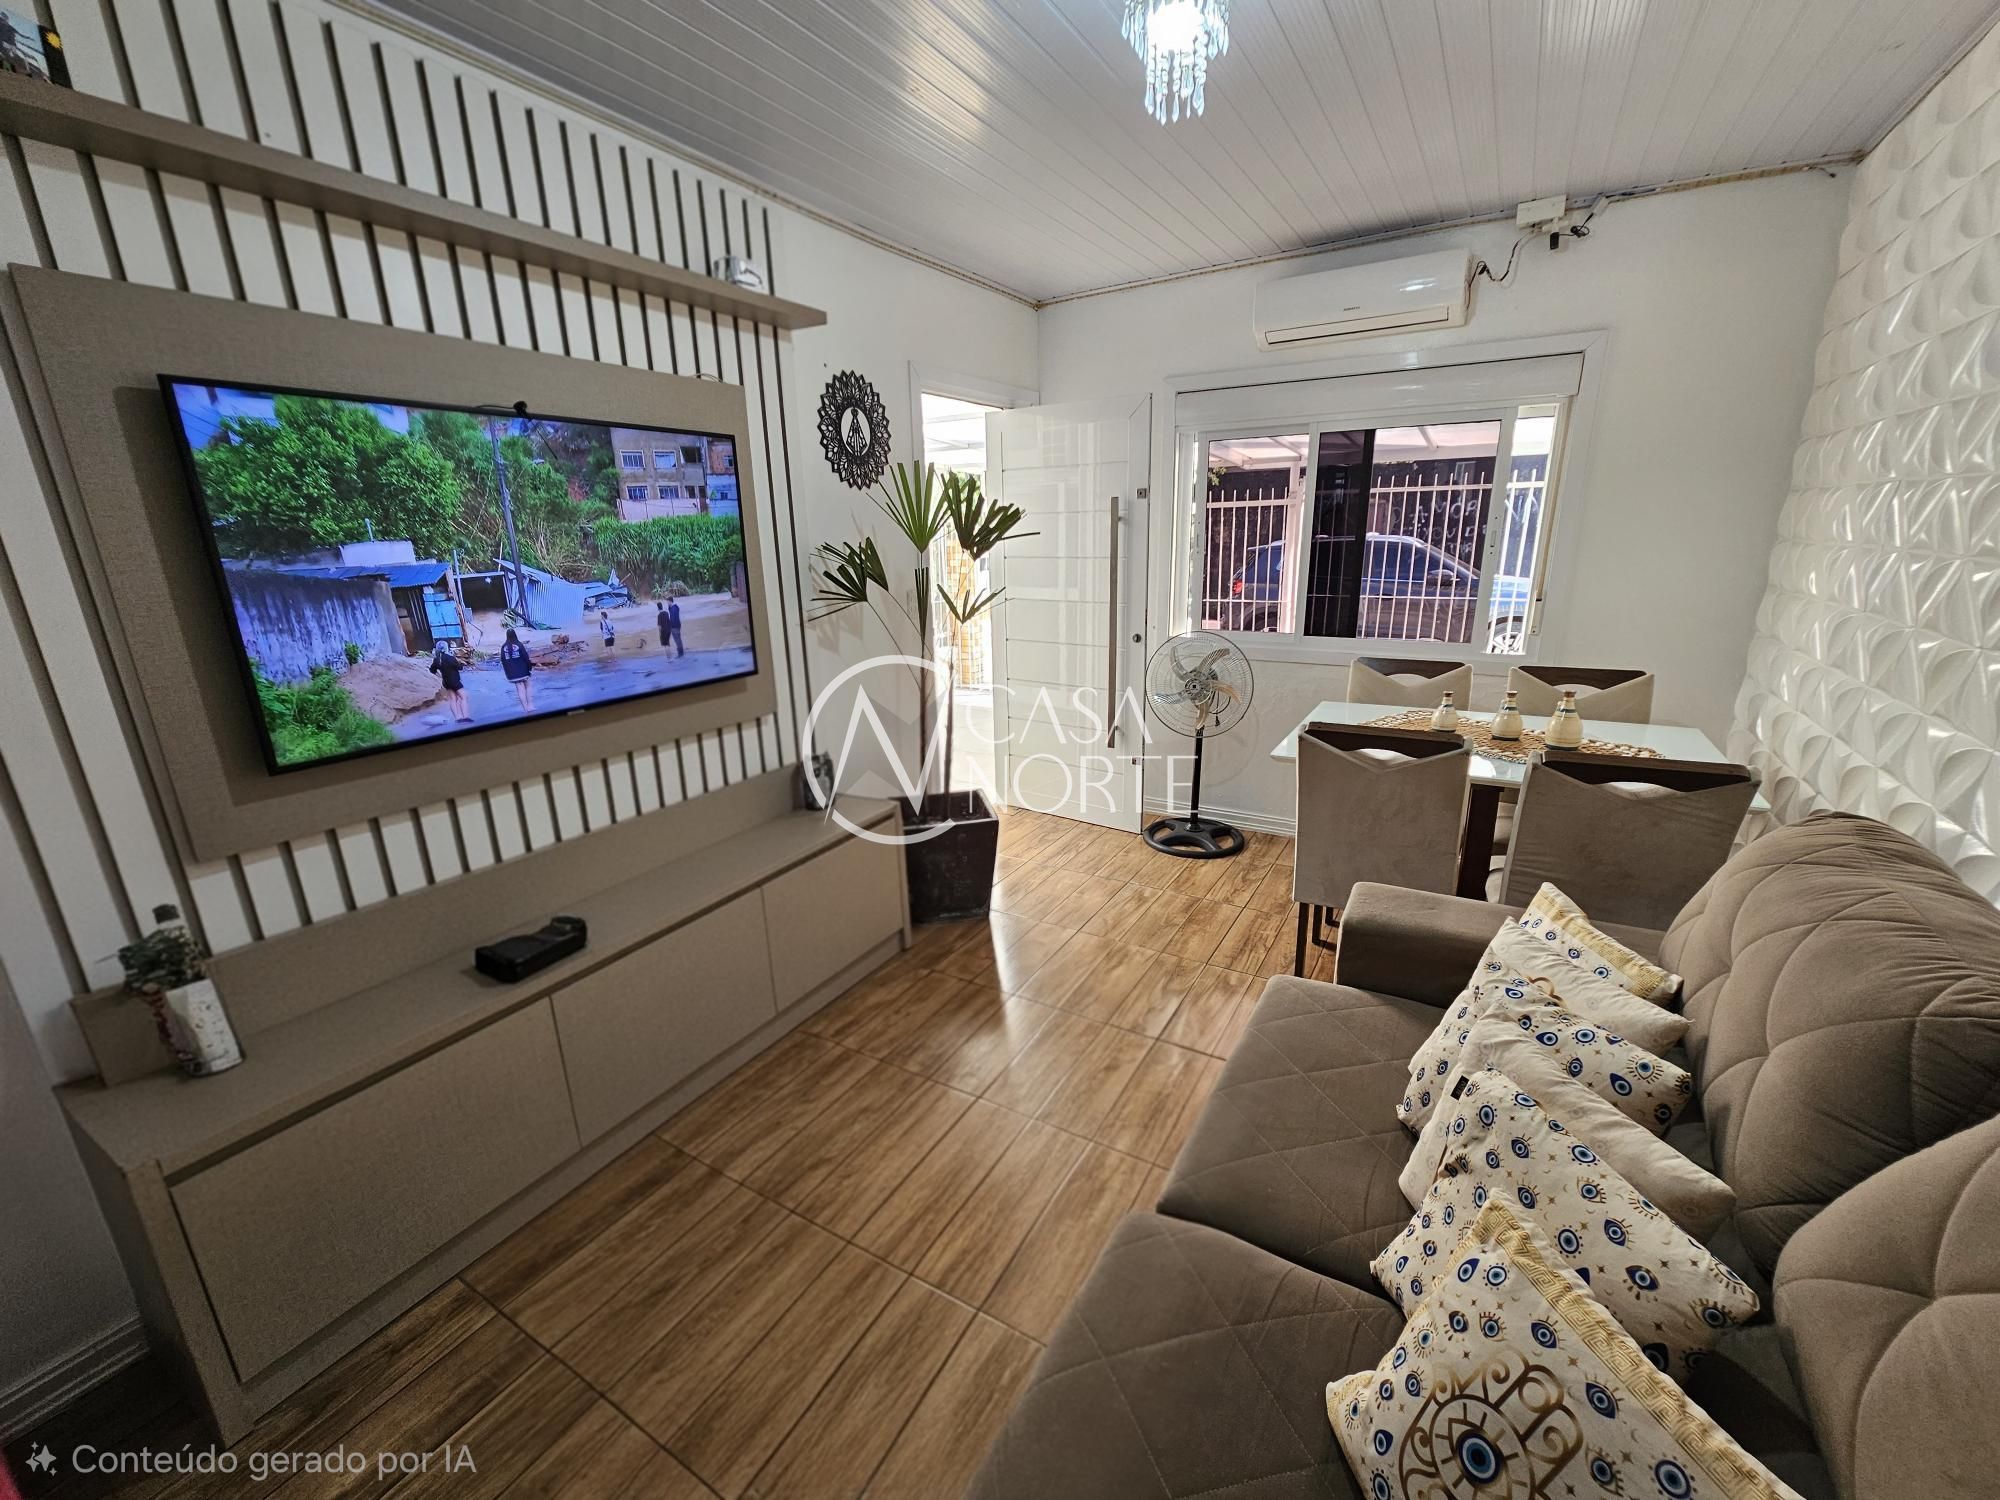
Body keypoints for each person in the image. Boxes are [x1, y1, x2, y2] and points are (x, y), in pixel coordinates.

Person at [428, 642, 470, 723]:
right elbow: (459, 668)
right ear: (446, 648)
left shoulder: (437, 660)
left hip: (446, 682)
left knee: (453, 699)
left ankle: (457, 718)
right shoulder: (451, 658)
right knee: (464, 697)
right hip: (455, 681)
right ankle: (465, 716)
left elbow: (432, 670)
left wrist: (440, 674)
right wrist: (461, 664)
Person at [500, 627, 534, 711]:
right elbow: (526, 658)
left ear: (507, 636)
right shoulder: (519, 644)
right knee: (528, 686)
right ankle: (530, 705)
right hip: (523, 672)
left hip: (512, 674)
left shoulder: (503, 647)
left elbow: (503, 661)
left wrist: (508, 674)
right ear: (515, 635)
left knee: (520, 689)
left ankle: (525, 708)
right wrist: (529, 668)